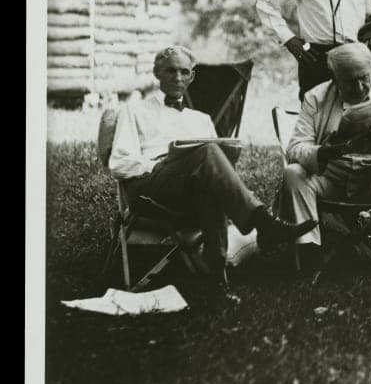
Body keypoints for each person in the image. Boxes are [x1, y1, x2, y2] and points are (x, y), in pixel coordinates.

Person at [108, 46, 318, 291]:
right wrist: (160, 164)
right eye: (170, 71)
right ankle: (263, 222)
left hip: (187, 189)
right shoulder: (134, 110)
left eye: (184, 72)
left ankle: (216, 278)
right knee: (207, 152)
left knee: (209, 181)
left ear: (192, 77)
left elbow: (213, 168)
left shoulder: (201, 119)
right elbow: (119, 163)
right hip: (149, 189)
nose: (177, 78)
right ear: (157, 73)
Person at [278, 43, 371, 271]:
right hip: (330, 179)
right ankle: (310, 256)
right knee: (293, 174)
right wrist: (328, 149)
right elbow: (294, 149)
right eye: (350, 81)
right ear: (335, 78)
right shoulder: (315, 98)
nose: (359, 87)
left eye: (364, 78)